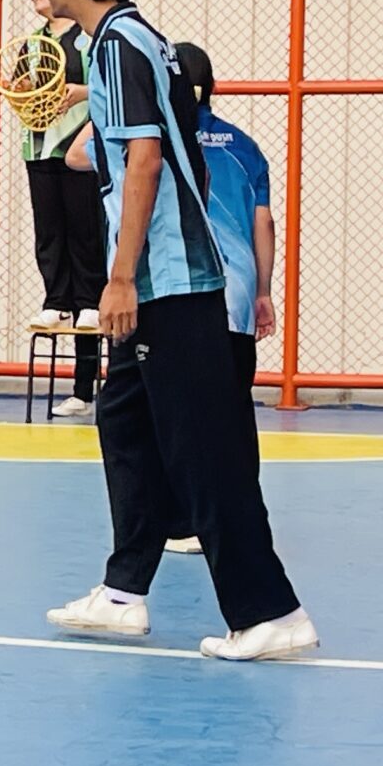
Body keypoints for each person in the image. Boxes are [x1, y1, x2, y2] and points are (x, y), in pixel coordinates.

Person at [30, 0, 318, 662]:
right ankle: (123, 591)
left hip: (169, 282)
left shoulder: (117, 47)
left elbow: (146, 159)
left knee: (204, 449)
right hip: (167, 276)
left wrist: (121, 276)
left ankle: (271, 612)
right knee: (124, 423)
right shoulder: (140, 43)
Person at [160, 42, 276, 557]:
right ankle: (245, 516)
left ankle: (188, 522)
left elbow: (77, 156)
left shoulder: (160, 139)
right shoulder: (244, 146)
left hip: (189, 294)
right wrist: (264, 291)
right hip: (240, 296)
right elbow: (263, 222)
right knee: (235, 408)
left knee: (185, 413)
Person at [21, 0, 105, 419]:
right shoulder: (30, 44)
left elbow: (107, 90)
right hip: (39, 147)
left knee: (84, 233)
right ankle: (56, 301)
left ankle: (89, 303)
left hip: (78, 146)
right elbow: (21, 91)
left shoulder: (87, 41)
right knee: (49, 233)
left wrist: (80, 94)